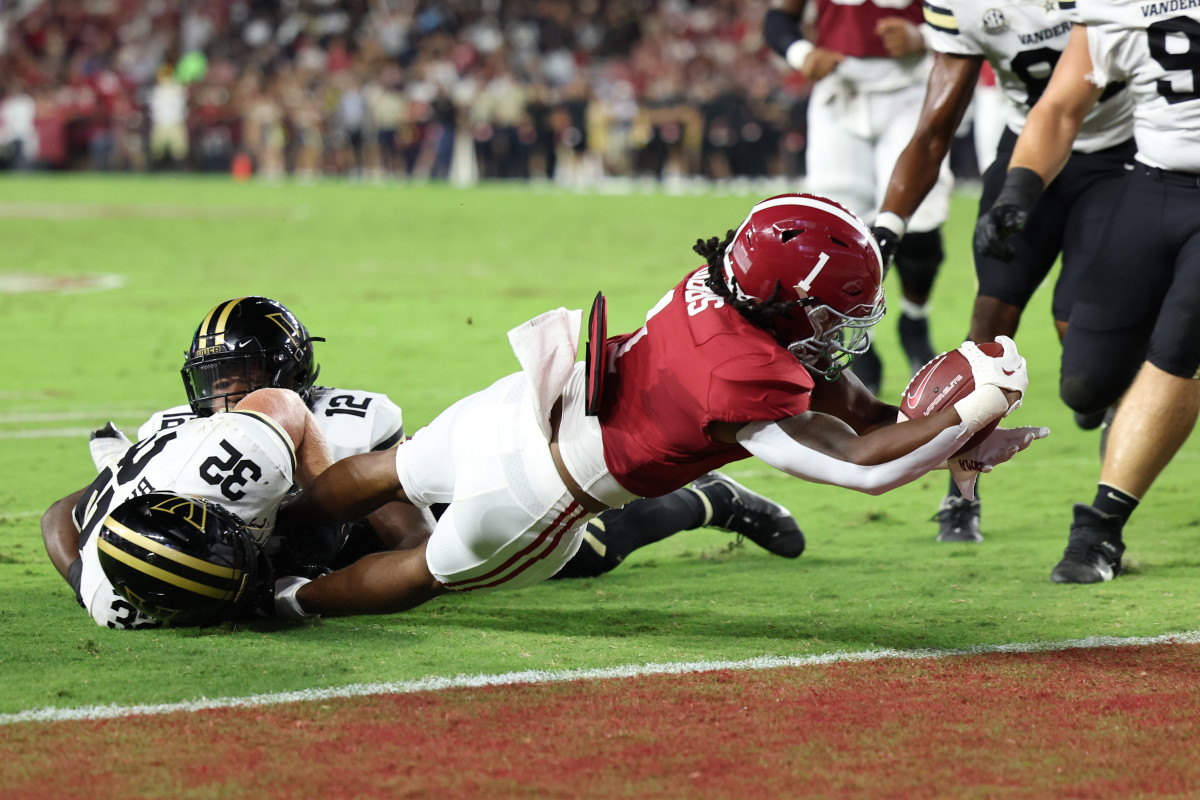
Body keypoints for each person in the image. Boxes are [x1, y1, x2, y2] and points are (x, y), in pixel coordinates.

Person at [260, 194, 1045, 621]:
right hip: (538, 490)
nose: (847, 330)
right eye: (839, 314)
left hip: (525, 401)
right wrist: (966, 408)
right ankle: (287, 599)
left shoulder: (718, 285)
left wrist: (954, 438)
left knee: (393, 468)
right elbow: (858, 470)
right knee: (428, 569)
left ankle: (274, 524)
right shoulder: (745, 379)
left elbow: (861, 418)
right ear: (785, 303)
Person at [88, 296, 807, 580]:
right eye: (214, 380)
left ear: (284, 373)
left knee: (584, 555)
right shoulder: (183, 430)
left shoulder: (346, 416)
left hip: (406, 520)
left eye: (242, 376)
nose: (227, 396)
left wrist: (290, 573)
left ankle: (709, 498)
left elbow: (406, 540)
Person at [871, 0, 1136, 542]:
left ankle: (1100, 396)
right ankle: (961, 492)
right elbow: (933, 131)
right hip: (1027, 156)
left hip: (1117, 157)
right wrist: (886, 230)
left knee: (1083, 365)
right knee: (987, 329)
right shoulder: (962, 6)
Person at [972, 3, 1200, 583]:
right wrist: (1018, 192)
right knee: (1085, 383)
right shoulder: (1113, 4)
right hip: (1152, 187)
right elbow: (1060, 104)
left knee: (1181, 349)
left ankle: (1100, 527)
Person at [762, 0, 954, 394]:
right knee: (834, 232)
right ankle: (857, 341)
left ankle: (914, 319)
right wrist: (802, 53)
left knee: (919, 221)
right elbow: (778, 16)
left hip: (913, 85)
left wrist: (923, 35)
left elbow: (972, 17)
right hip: (840, 88)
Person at [41, 387, 335, 629]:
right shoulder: (110, 604)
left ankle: (117, 462)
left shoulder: (237, 453)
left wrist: (330, 521)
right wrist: (84, 579)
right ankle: (116, 464)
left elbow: (286, 401)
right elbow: (55, 516)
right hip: (145, 488)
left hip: (188, 463)